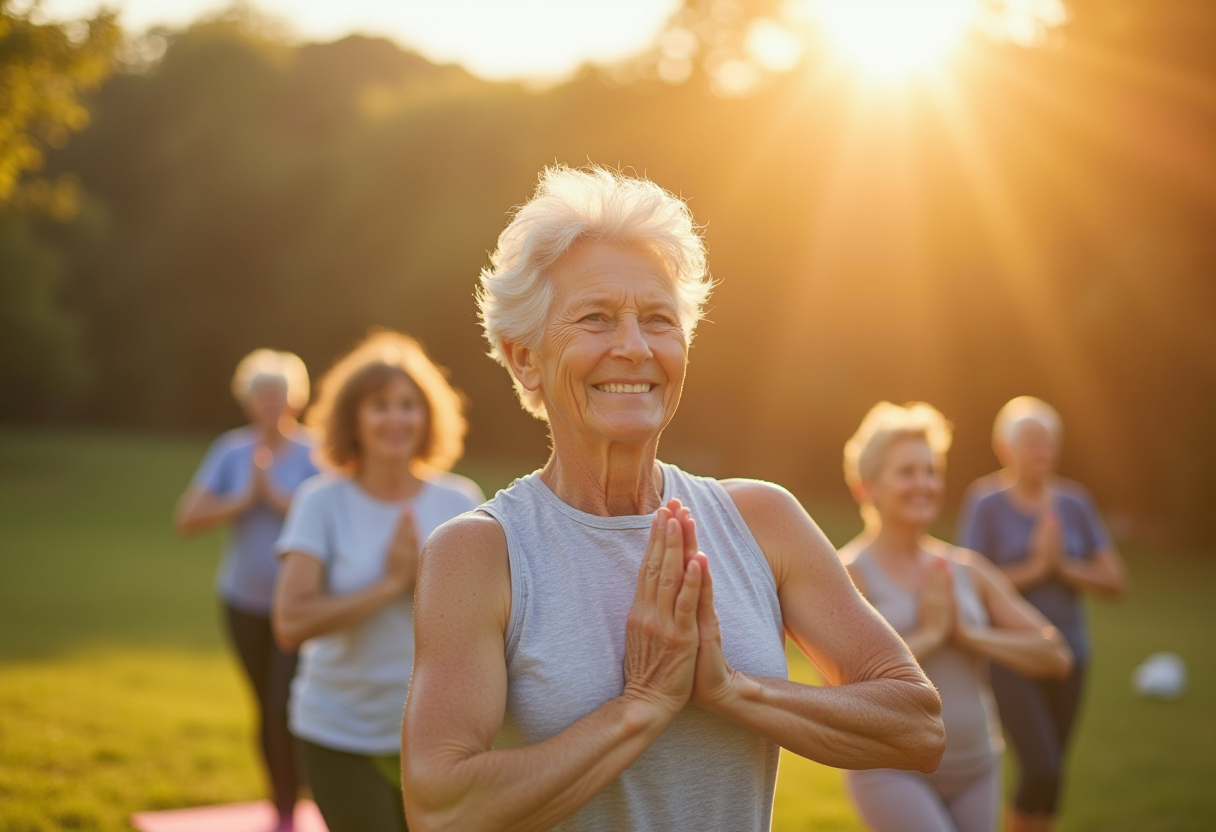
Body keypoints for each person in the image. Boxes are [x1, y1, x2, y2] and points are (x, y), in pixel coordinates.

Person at [400, 165, 946, 832]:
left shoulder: (762, 519)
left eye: (657, 320)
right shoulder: (480, 554)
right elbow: (441, 805)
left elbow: (916, 725)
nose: (634, 347)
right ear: (524, 357)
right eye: (596, 318)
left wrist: (731, 691)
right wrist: (641, 705)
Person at [272, 330, 484, 832]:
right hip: (339, 733)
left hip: (440, 738)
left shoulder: (459, 501)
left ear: (428, 416)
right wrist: (389, 584)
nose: (396, 417)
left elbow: (488, 619)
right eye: (379, 405)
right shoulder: (320, 502)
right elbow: (289, 622)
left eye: (408, 405)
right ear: (353, 418)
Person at [837, 402, 1073, 832]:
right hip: (889, 768)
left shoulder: (968, 570)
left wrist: (972, 635)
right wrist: (928, 635)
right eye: (907, 472)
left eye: (931, 471)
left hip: (977, 766)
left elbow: (1055, 653)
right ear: (866, 486)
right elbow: (840, 689)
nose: (923, 484)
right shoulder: (848, 574)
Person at [956, 396, 1127, 832]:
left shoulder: (1075, 503)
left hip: (1072, 655)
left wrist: (1063, 566)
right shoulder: (985, 502)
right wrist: (1034, 567)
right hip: (1012, 656)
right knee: (1041, 767)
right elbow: (969, 584)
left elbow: (1115, 581)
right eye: (1032, 441)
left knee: (1053, 777)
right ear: (1005, 448)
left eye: (1050, 442)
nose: (1043, 451)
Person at [175, 348, 316, 832]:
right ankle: (283, 808)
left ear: (294, 399)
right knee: (265, 707)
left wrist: (271, 495)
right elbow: (187, 519)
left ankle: (301, 796)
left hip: (298, 607)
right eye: (261, 395)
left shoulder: (315, 452)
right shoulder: (230, 452)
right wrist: (242, 498)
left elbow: (326, 519)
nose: (269, 403)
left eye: (277, 394)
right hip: (241, 602)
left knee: (285, 706)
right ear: (248, 401)